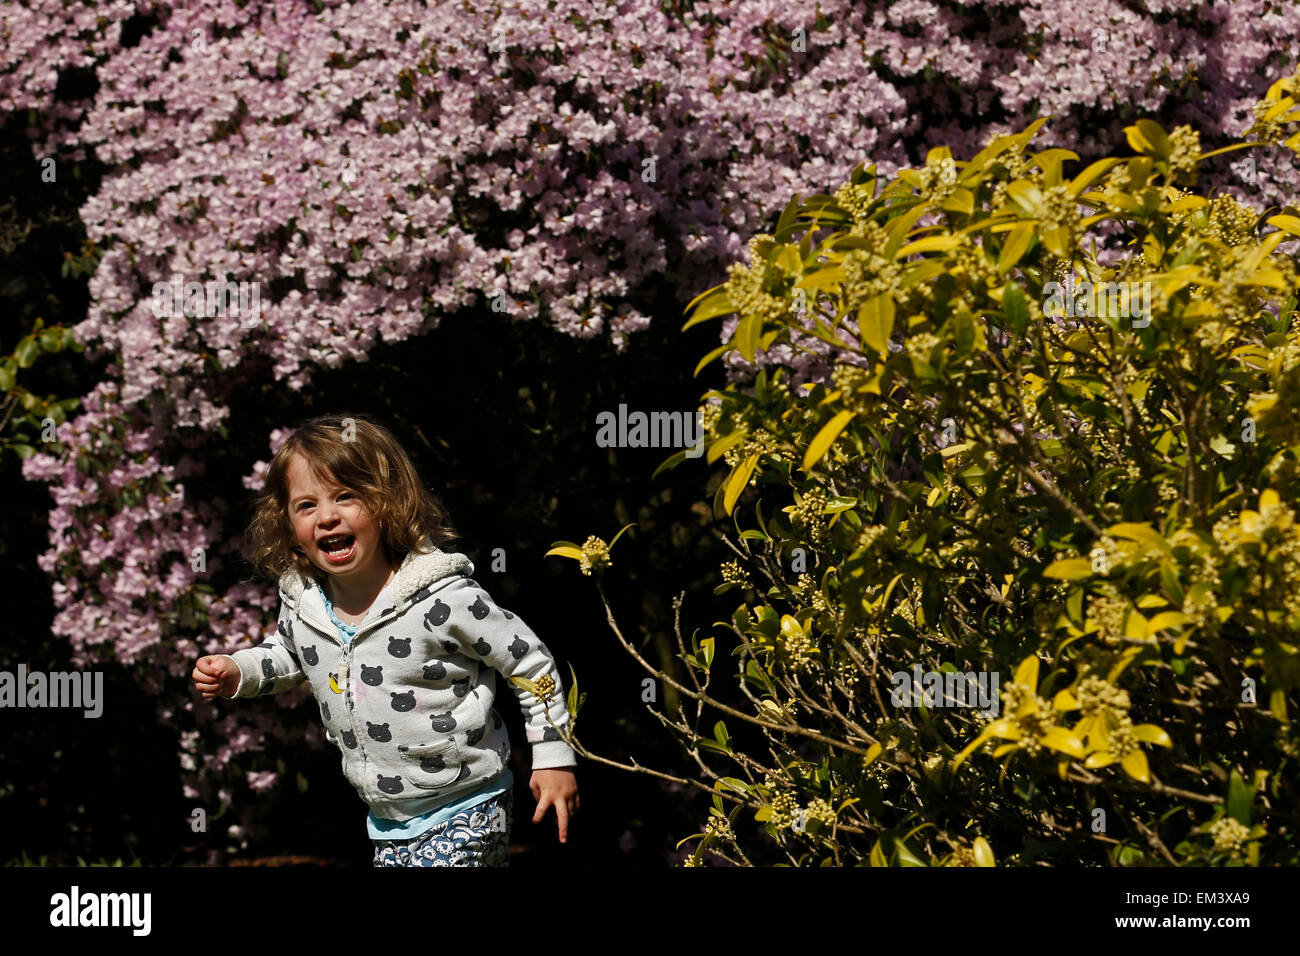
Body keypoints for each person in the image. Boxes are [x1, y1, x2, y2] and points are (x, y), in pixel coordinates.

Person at [191, 413, 579, 866]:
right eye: (307, 505)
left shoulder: (441, 598)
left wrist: (553, 755)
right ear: (287, 521)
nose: (327, 516)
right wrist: (240, 669)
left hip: (468, 801)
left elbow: (528, 661)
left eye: (346, 496)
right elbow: (287, 653)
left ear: (386, 504)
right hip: (387, 820)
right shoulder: (305, 602)